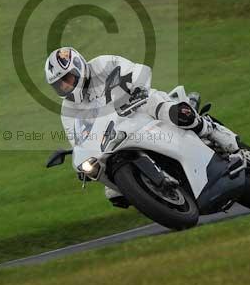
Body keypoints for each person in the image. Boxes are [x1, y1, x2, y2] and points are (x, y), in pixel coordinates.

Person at [45, 46, 240, 204]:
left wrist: (137, 89)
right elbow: (78, 140)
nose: (66, 86)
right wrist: (82, 161)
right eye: (60, 85)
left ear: (79, 67)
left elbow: (135, 70)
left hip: (137, 105)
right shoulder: (68, 110)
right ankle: (147, 188)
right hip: (113, 137)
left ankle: (213, 131)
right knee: (113, 191)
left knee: (171, 112)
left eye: (67, 79)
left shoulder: (102, 64)